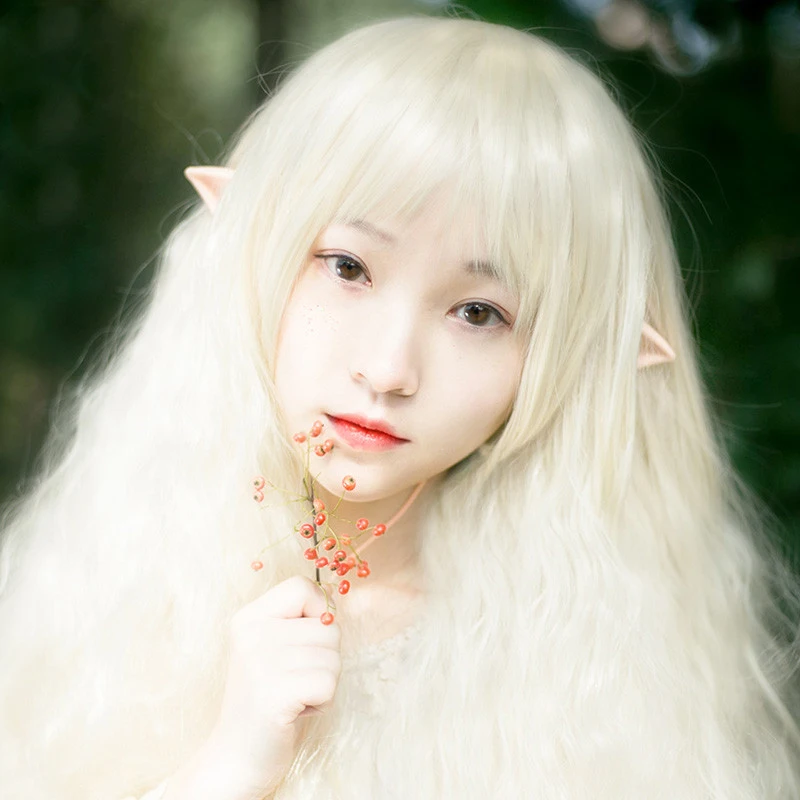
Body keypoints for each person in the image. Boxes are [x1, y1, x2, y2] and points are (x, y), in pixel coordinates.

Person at [0, 14, 798, 800]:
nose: (387, 370)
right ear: (249, 246)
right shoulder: (103, 580)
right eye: (347, 266)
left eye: (479, 313)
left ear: (573, 361)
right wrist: (226, 770)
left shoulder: (590, 677)